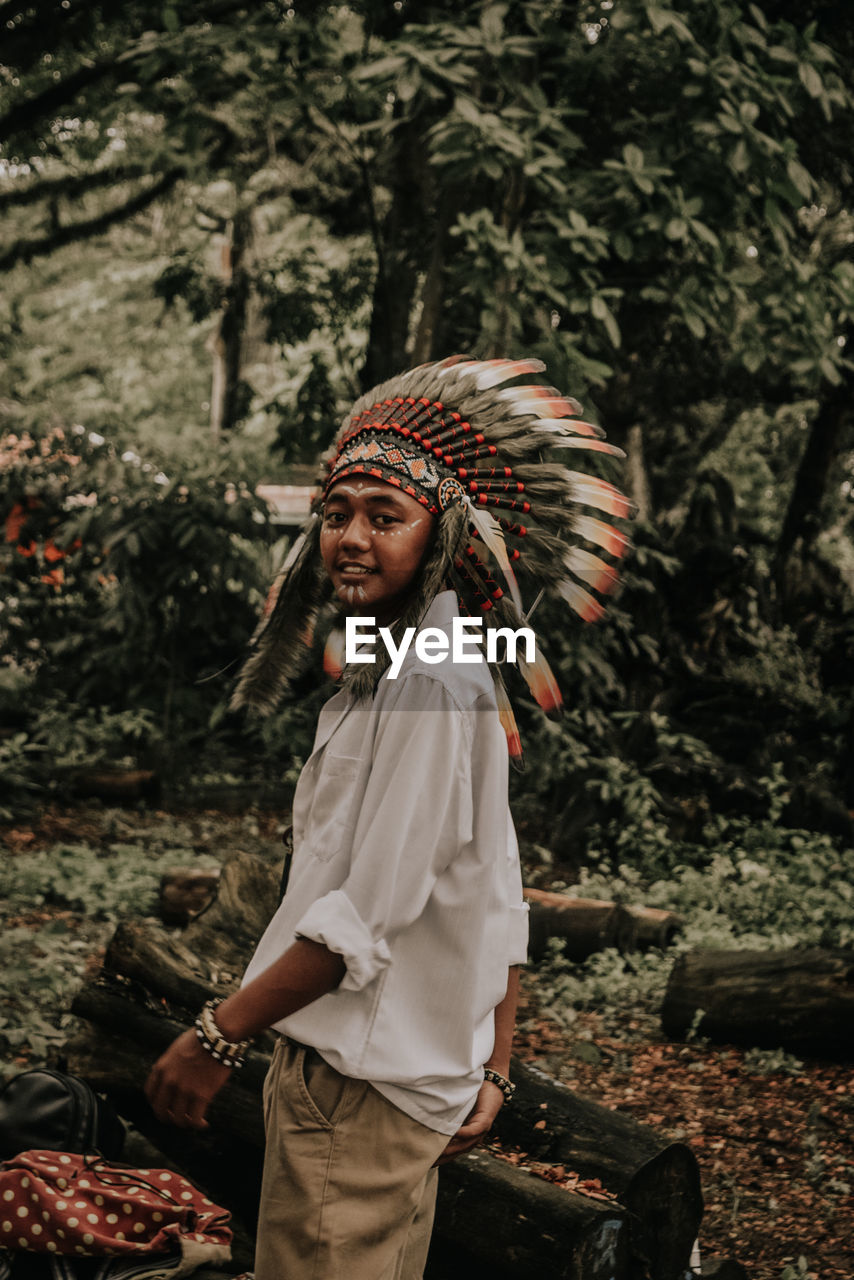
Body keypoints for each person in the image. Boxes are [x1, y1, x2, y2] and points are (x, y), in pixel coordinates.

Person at [145, 355, 628, 1280]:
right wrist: (492, 1065)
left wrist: (212, 1039)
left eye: (385, 516)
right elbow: (491, 886)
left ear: (441, 535)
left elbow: (361, 923)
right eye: (336, 514)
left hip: (357, 1096)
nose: (351, 538)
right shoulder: (408, 670)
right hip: (390, 1085)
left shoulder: (434, 684)